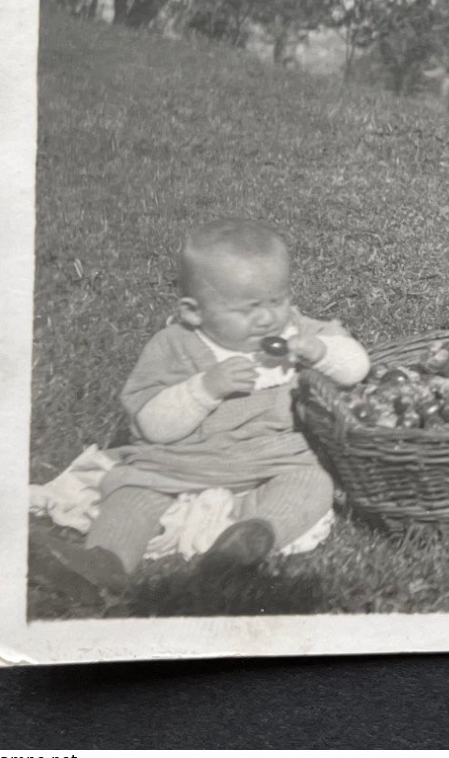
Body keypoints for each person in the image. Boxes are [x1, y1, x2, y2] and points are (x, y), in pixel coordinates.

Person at [30, 219, 371, 598]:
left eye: (277, 300)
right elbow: (152, 425)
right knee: (132, 491)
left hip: (274, 460)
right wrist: (205, 389)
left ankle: (250, 540)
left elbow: (357, 368)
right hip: (178, 463)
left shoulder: (296, 331)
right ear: (194, 312)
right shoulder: (174, 346)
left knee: (312, 483)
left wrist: (321, 351)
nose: (268, 317)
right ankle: (105, 561)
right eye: (248, 308)